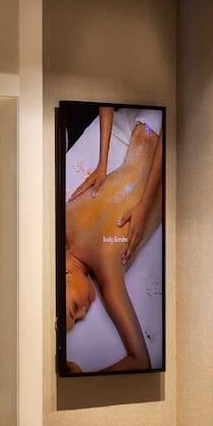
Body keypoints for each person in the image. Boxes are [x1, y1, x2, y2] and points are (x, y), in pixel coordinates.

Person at [62, 106, 163, 373]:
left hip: (165, 140)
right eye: (80, 317)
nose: (85, 311)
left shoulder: (105, 265)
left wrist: (144, 204)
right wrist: (102, 165)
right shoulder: (62, 219)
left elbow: (140, 361)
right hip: (149, 128)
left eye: (74, 309)